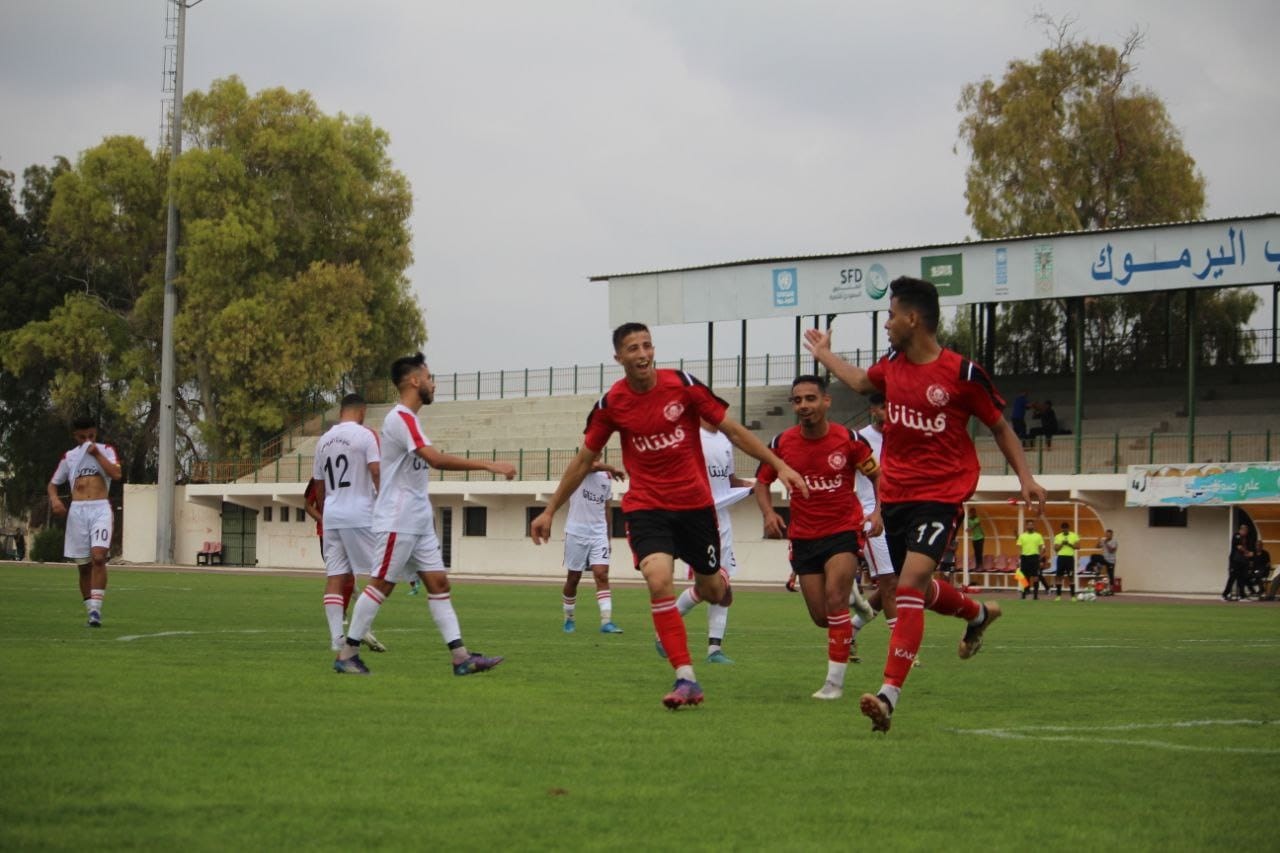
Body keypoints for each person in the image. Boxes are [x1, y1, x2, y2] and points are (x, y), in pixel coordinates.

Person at [804, 276, 1047, 733]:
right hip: (896, 495)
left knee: (910, 584)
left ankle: (888, 697)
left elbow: (999, 426)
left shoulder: (962, 374)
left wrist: (1026, 478)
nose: (887, 323)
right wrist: (823, 354)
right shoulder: (893, 365)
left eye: (891, 315)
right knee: (920, 588)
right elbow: (860, 381)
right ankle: (977, 614)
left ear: (913, 319)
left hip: (941, 495)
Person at [530, 322, 808, 709]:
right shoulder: (612, 404)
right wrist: (549, 510)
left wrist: (780, 466)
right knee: (657, 578)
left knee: (715, 591)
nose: (642, 353)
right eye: (632, 348)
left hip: (695, 508)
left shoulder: (683, 384)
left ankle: (689, 615)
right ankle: (686, 677)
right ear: (618, 357)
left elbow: (733, 430)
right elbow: (584, 460)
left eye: (646, 345)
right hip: (648, 507)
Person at [334, 353, 514, 675]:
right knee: (381, 585)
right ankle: (347, 653)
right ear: (415, 380)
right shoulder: (400, 418)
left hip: (417, 519)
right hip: (398, 517)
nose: (433, 384)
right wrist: (489, 465)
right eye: (430, 378)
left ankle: (461, 658)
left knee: (439, 583)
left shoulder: (411, 420)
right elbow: (436, 459)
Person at [755, 375, 882, 700]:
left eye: (810, 398)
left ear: (826, 401)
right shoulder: (782, 443)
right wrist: (769, 514)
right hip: (804, 537)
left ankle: (834, 684)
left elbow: (878, 476)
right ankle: (855, 600)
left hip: (842, 531)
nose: (804, 406)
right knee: (821, 617)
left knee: (835, 601)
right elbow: (761, 481)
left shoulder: (849, 440)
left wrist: (879, 512)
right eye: (797, 400)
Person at [661, 421, 755, 664]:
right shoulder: (691, 436)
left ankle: (714, 650)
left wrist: (753, 485)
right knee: (713, 588)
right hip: (699, 521)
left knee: (723, 591)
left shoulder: (725, 440)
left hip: (722, 522)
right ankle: (664, 631)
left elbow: (729, 479)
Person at [309, 393, 387, 655]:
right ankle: (358, 630)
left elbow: (319, 485)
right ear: (362, 411)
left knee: (335, 577)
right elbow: (376, 471)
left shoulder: (323, 441)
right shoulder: (366, 436)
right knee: (384, 571)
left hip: (332, 514)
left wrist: (328, 509)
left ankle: (336, 639)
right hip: (360, 512)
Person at [47, 416, 123, 628]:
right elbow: (53, 484)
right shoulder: (69, 457)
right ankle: (90, 611)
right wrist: (55, 500)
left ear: (95, 433)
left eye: (91, 435)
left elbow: (116, 474)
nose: (87, 439)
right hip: (78, 511)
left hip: (100, 508)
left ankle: (97, 610)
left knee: (98, 557)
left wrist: (97, 453)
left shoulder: (106, 449)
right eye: (83, 437)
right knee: (84, 566)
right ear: (75, 436)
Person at [845, 392, 898, 663]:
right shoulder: (860, 439)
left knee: (895, 585)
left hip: (902, 517)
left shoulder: (904, 437)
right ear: (874, 410)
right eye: (883, 407)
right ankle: (902, 649)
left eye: (893, 406)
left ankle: (850, 631)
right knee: (889, 583)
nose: (888, 411)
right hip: (873, 518)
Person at [561, 460, 626, 635]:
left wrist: (608, 537)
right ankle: (569, 617)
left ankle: (606, 622)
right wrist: (611, 468)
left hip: (598, 533)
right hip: (576, 532)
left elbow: (606, 508)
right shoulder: (579, 468)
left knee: (601, 574)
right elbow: (590, 466)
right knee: (574, 578)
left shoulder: (606, 477)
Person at [1223, 523, 1255, 601]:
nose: (1246, 532)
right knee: (1232, 578)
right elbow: (1239, 547)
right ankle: (1225, 594)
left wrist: (1250, 555)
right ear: (1242, 530)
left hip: (1243, 561)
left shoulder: (1246, 538)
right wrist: (1248, 553)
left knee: (1242, 578)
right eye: (1245, 530)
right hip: (1235, 561)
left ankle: (1242, 596)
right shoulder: (1237, 536)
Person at [1017, 520, 1047, 600]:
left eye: (1031, 525)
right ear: (1026, 526)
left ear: (1034, 526)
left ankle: (1035, 595)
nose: (1030, 526)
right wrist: (1019, 558)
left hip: (1034, 557)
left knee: (1036, 576)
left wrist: (1040, 557)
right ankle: (1024, 594)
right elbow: (1019, 548)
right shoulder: (1022, 536)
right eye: (1028, 525)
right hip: (1024, 557)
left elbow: (1042, 547)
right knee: (1024, 577)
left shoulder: (1038, 536)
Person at [1052, 521, 1080, 598]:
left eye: (1066, 529)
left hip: (1069, 558)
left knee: (1071, 576)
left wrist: (1069, 544)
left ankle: (1073, 596)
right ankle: (1058, 595)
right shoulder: (1058, 536)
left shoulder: (1074, 536)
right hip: (1061, 558)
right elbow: (1056, 549)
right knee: (1059, 576)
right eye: (1063, 529)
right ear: (1061, 529)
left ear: (1068, 529)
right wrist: (1062, 544)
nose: (1065, 531)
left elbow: (1078, 547)